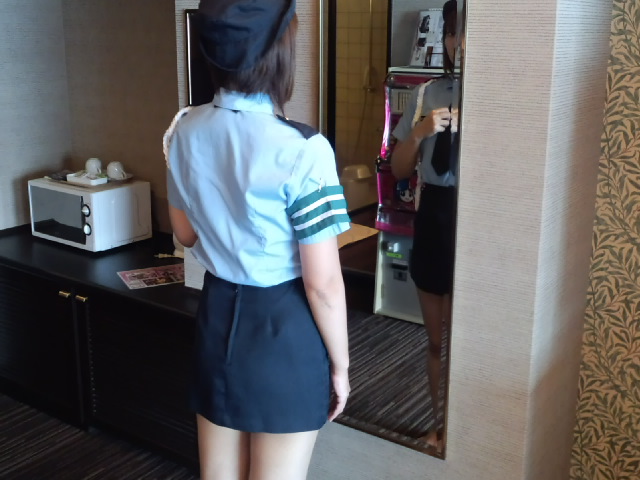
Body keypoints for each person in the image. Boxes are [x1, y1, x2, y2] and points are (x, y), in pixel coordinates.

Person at [164, 1, 351, 478]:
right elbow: (323, 286)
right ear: (279, 54)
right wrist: (341, 367)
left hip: (217, 317)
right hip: (283, 330)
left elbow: (184, 234)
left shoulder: (183, 130)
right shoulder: (304, 150)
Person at [389, 0, 459, 455]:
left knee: (466, 344)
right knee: (436, 342)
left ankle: (465, 430)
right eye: (452, 32)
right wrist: (419, 132)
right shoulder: (427, 93)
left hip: (475, 217)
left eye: (465, 31)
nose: (459, 42)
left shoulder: (499, 93)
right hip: (434, 213)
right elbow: (398, 169)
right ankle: (439, 427)